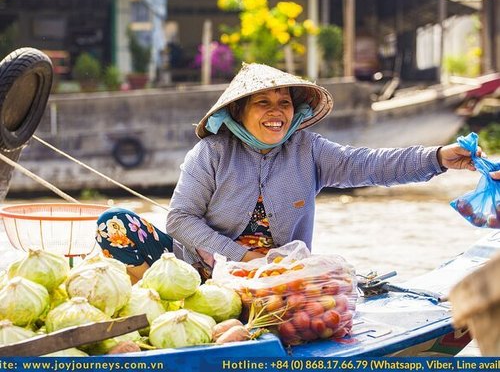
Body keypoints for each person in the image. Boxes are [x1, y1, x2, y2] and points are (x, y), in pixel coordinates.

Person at [95, 63, 499, 283]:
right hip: (200, 271)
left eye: (284, 102)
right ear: (238, 112)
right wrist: (241, 255)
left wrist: (440, 158)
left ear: (296, 110)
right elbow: (180, 219)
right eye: (263, 103)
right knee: (114, 223)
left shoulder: (308, 149)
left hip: (275, 277)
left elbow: (371, 164)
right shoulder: (212, 152)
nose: (277, 112)